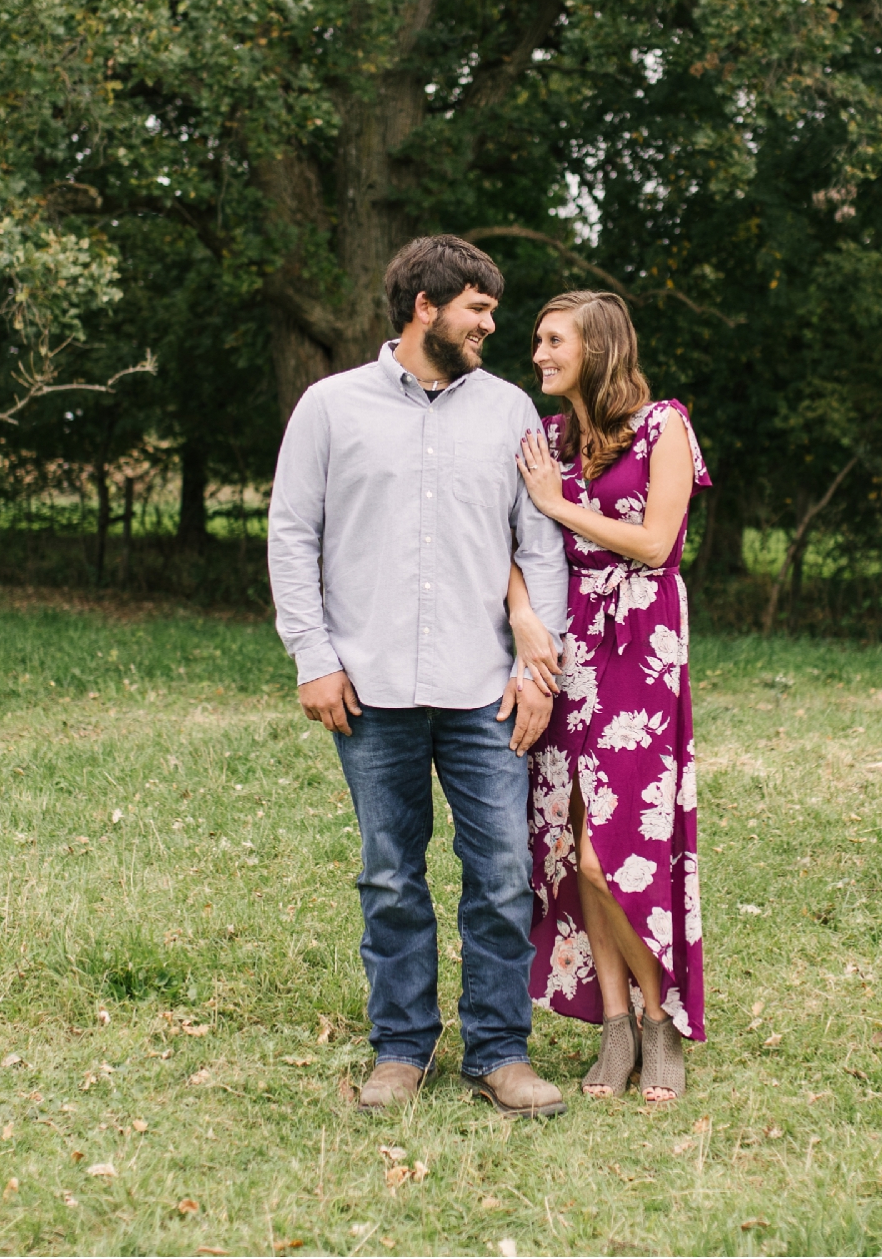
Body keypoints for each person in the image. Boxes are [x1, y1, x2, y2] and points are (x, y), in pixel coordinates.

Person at [266, 235, 573, 1119]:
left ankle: (498, 1052)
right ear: (425, 306)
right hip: (368, 689)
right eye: (478, 309)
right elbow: (292, 536)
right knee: (391, 875)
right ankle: (401, 1050)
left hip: (486, 689)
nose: (491, 326)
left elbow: (537, 544)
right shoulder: (331, 408)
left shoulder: (510, 410)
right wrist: (313, 659)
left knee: (504, 872)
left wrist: (537, 665)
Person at [509, 290, 710, 1103]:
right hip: (567, 644)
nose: (538, 355)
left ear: (596, 346)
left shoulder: (666, 426)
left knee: (615, 847)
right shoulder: (549, 438)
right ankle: (617, 1027)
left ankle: (660, 1023)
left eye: (553, 341)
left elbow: (658, 542)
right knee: (573, 846)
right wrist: (525, 616)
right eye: (536, 340)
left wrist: (560, 506)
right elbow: (508, 539)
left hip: (640, 645)